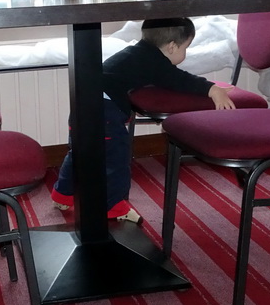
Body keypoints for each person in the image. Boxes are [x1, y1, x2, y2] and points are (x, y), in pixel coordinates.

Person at [51, 17, 235, 223]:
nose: (185, 53)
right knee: (117, 159)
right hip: (104, 113)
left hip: (81, 103)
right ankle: (111, 206)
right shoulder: (154, 61)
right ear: (172, 46)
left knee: (79, 152)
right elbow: (179, 79)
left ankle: (62, 194)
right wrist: (212, 89)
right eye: (186, 47)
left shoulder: (138, 52)